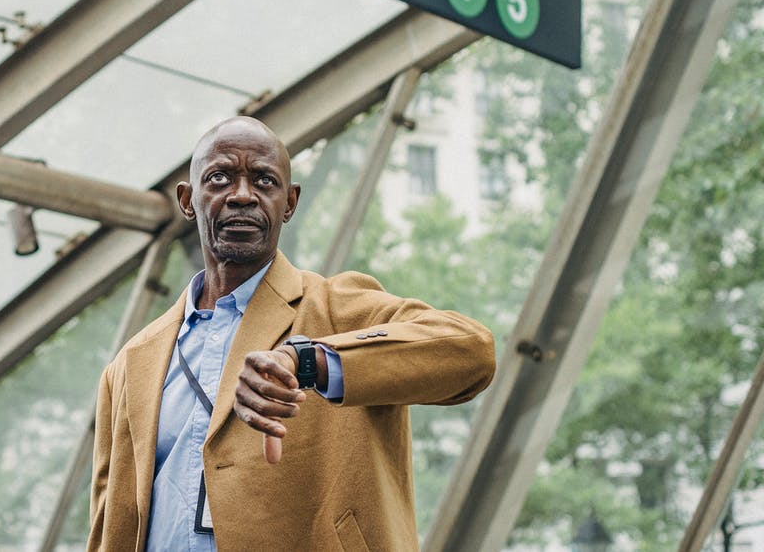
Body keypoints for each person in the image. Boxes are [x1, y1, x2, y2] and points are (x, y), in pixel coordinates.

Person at [87, 116, 495, 551]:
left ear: (289, 202)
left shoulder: (339, 308)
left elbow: (471, 350)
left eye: (264, 180)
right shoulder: (131, 364)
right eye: (220, 178)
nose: (242, 195)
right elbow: (110, 521)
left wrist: (309, 361)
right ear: (188, 200)